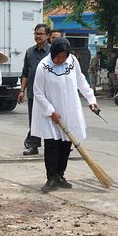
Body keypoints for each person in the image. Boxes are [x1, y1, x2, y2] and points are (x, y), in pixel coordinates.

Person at [31, 37, 98, 192]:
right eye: (58, 57)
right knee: (52, 145)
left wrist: (91, 98)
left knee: (66, 145)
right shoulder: (43, 66)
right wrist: (50, 111)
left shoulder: (72, 61)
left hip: (69, 110)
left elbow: (80, 80)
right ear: (53, 53)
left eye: (64, 56)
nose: (61, 60)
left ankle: (60, 175)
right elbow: (38, 93)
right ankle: (51, 177)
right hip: (51, 113)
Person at [18, 23, 51, 155]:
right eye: (36, 33)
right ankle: (33, 145)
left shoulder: (53, 51)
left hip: (49, 93)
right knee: (34, 120)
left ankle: (55, 144)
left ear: (48, 35)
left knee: (51, 119)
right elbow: (25, 73)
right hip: (33, 92)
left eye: (40, 33)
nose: (38, 36)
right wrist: (22, 90)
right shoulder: (29, 52)